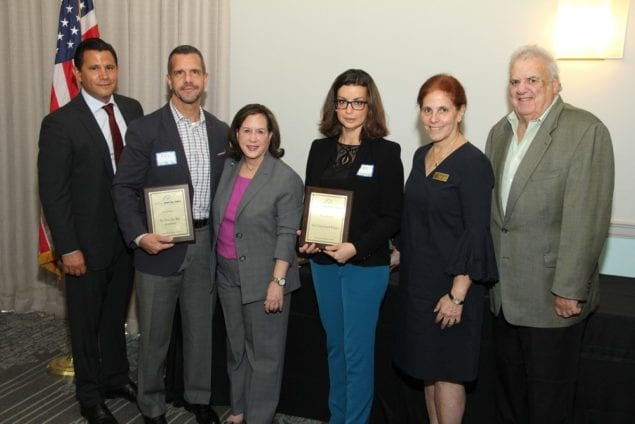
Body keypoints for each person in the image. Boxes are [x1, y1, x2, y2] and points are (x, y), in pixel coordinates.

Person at [485, 45, 614, 423]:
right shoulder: (500, 132)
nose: (522, 88)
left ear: (555, 84)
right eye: (514, 81)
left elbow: (587, 216)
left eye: (532, 80)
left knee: (549, 402)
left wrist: (570, 288)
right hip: (504, 295)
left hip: (551, 298)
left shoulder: (584, 130)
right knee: (509, 396)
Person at [112, 45, 227, 424]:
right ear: (168, 80)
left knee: (200, 329)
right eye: (180, 73)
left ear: (205, 79)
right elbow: (123, 188)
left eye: (195, 72)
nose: (188, 79)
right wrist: (139, 236)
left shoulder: (221, 132)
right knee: (155, 335)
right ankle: (151, 405)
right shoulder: (146, 129)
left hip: (205, 243)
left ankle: (197, 397)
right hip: (157, 248)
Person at [38, 38, 143, 424]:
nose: (104, 74)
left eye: (110, 66)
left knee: (116, 315)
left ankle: (116, 378)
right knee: (84, 323)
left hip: (128, 240)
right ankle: (89, 393)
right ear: (78, 73)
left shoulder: (133, 110)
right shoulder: (60, 123)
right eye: (95, 68)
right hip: (84, 245)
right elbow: (53, 194)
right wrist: (68, 248)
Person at [392, 74, 498, 424]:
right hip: (418, 284)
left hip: (452, 288)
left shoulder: (474, 164)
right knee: (427, 368)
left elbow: (476, 232)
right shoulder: (421, 155)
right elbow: (417, 219)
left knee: (448, 372)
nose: (434, 118)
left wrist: (457, 294)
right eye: (427, 109)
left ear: (460, 112)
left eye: (443, 109)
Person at [300, 68, 404, 424]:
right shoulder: (319, 149)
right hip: (324, 265)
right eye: (342, 101)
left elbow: (392, 217)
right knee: (335, 349)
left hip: (364, 265)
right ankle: (337, 417)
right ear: (334, 105)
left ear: (369, 106)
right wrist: (307, 237)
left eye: (358, 102)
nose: (349, 109)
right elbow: (310, 203)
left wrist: (354, 247)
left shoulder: (387, 153)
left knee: (357, 353)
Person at [212, 104, 304, 424]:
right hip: (226, 275)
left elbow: (285, 236)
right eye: (247, 130)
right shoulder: (227, 169)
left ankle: (259, 418)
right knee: (236, 349)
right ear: (236, 134)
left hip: (265, 279)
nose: (253, 138)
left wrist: (276, 283)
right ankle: (239, 410)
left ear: (271, 136)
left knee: (263, 357)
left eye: (260, 131)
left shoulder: (285, 179)